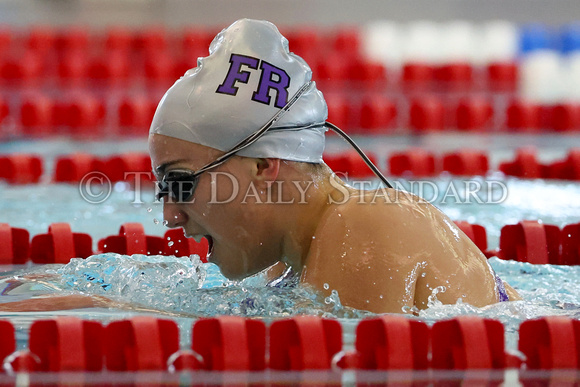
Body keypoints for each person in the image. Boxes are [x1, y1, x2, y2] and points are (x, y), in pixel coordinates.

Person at [0, 19, 519, 314]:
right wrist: (85, 292)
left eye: (179, 184)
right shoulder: (292, 256)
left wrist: (111, 313)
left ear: (264, 166)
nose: (170, 218)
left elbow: (322, 356)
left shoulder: (364, 227)